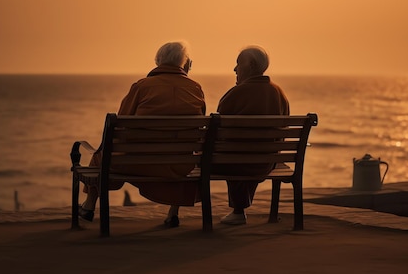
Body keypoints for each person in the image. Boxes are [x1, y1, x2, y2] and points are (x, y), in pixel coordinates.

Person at [79, 41, 206, 227]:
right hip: (179, 166)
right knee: (178, 153)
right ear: (185, 63)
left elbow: (120, 125)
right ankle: (173, 213)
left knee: (100, 155)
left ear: (158, 61)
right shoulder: (196, 89)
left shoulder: (142, 86)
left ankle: (89, 205)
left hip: (138, 164)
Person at [213, 45, 290, 225]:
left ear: (252, 65)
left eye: (238, 64)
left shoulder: (235, 94)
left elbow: (217, 134)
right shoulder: (279, 94)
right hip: (266, 163)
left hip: (236, 164)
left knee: (235, 154)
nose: (234, 69)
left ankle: (238, 211)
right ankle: (238, 210)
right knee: (247, 153)